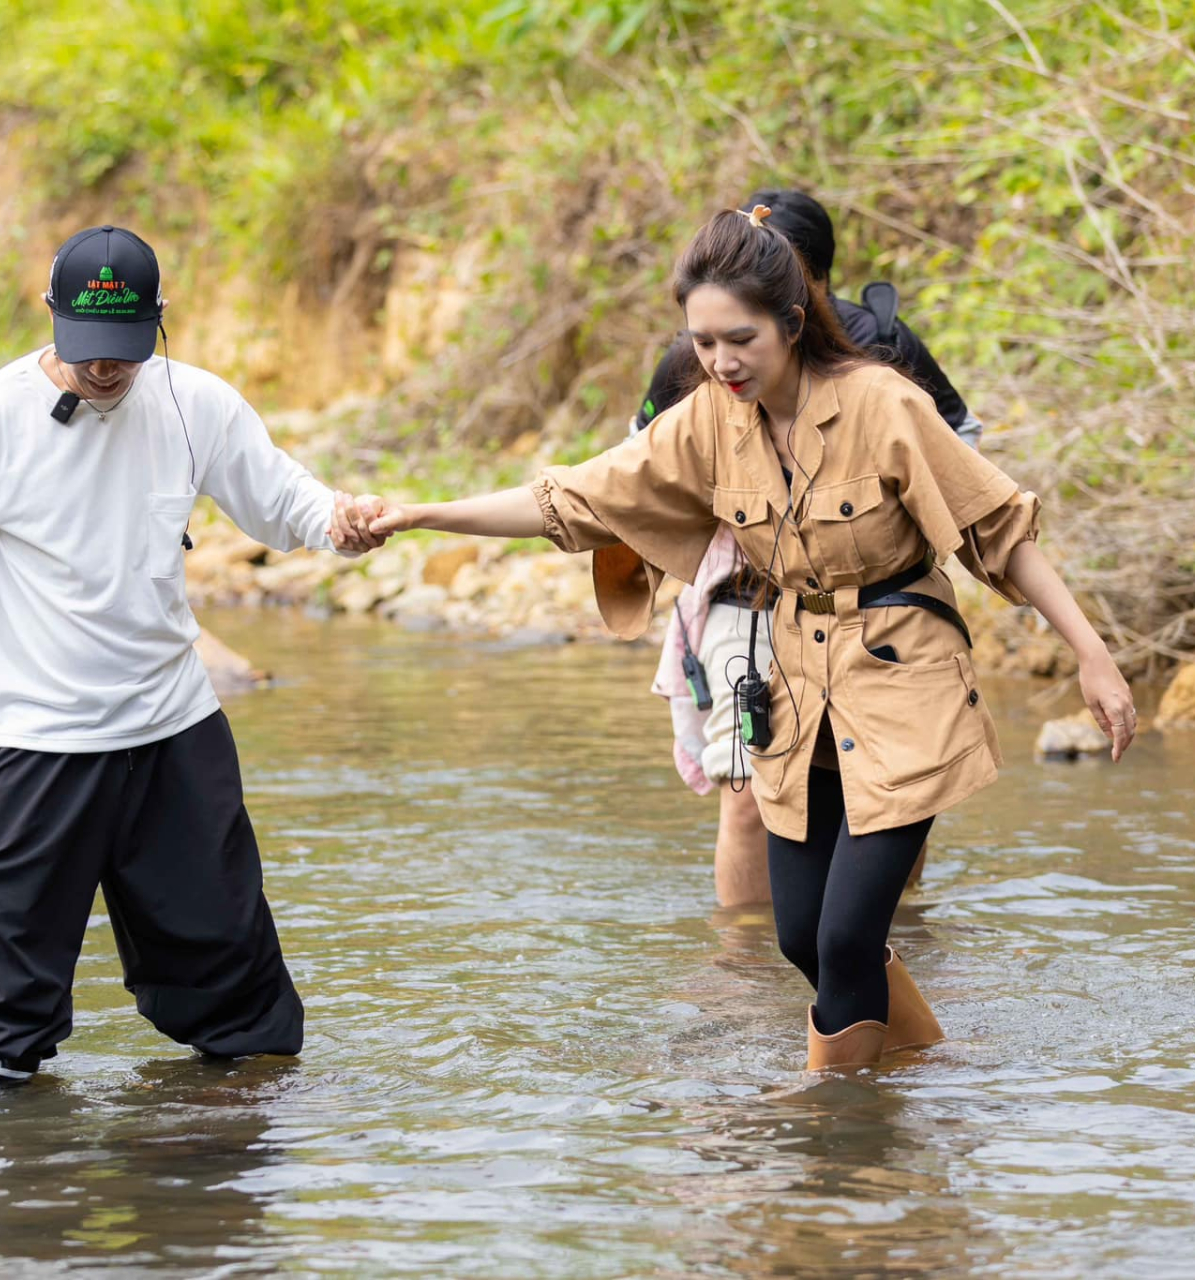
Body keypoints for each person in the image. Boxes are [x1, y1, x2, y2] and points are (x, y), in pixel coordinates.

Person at [357, 207, 1136, 1071]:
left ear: (793, 324)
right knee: (801, 938)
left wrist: (1092, 657)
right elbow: (572, 499)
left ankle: (830, 1146)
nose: (722, 362)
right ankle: (923, 1072)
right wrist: (422, 515)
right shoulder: (705, 422)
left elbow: (1002, 535)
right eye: (703, 343)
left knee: (845, 938)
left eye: (741, 339)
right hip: (795, 685)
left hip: (904, 678)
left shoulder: (884, 403)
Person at [0, 224, 385, 1087]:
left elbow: (279, 499)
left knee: (234, 974)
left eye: (123, 353)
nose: (105, 371)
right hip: (35, 742)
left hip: (173, 731)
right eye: (88, 353)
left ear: (157, 325)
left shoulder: (196, 405)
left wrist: (337, 522)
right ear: (51, 317)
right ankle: (21, 1175)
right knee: (9, 1014)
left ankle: (228, 1143)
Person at [636, 189, 982, 908]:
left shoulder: (882, 354)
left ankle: (878, 950)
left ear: (806, 291)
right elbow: (636, 468)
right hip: (740, 596)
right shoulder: (699, 359)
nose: (725, 355)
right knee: (744, 789)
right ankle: (749, 974)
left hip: (875, 609)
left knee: (890, 795)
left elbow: (958, 445)